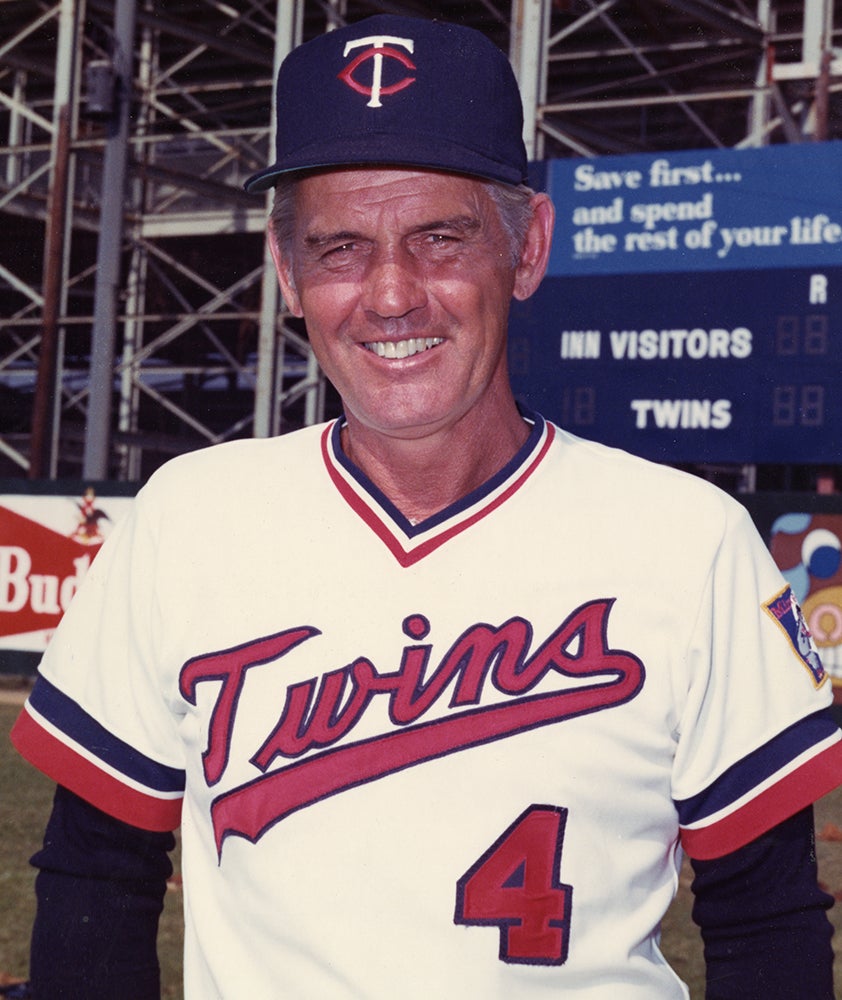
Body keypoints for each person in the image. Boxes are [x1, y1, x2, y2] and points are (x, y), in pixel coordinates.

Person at [11, 14, 842, 999]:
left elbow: (766, 925)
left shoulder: (688, 541)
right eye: (340, 248)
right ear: (287, 273)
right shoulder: (186, 520)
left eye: (440, 238)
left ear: (527, 248)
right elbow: (95, 885)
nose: (391, 294)